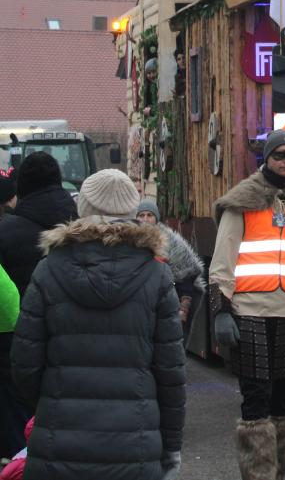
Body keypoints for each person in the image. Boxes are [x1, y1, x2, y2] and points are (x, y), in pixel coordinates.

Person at [10, 168, 185, 479]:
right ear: (132, 211)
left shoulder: (48, 270)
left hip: (58, 444)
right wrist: (171, 448)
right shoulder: (157, 275)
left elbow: (25, 365)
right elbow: (170, 374)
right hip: (135, 446)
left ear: (83, 208)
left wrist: (53, 401)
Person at [208, 130, 285, 480]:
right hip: (250, 311)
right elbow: (223, 260)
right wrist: (221, 309)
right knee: (256, 398)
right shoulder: (242, 203)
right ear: (266, 158)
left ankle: (275, 473)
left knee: (282, 400)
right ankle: (258, 476)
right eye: (279, 155)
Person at [0, 153, 76, 459]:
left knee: (19, 448)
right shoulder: (81, 231)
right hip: (72, 356)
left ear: (23, 189)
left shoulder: (6, 233)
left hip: (11, 360)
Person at [136, 199, 205, 333]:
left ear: (156, 219)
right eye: (141, 215)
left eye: (149, 215)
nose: (145, 219)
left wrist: (183, 308)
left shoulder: (169, 240)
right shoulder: (130, 240)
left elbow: (186, 273)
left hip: (169, 300)